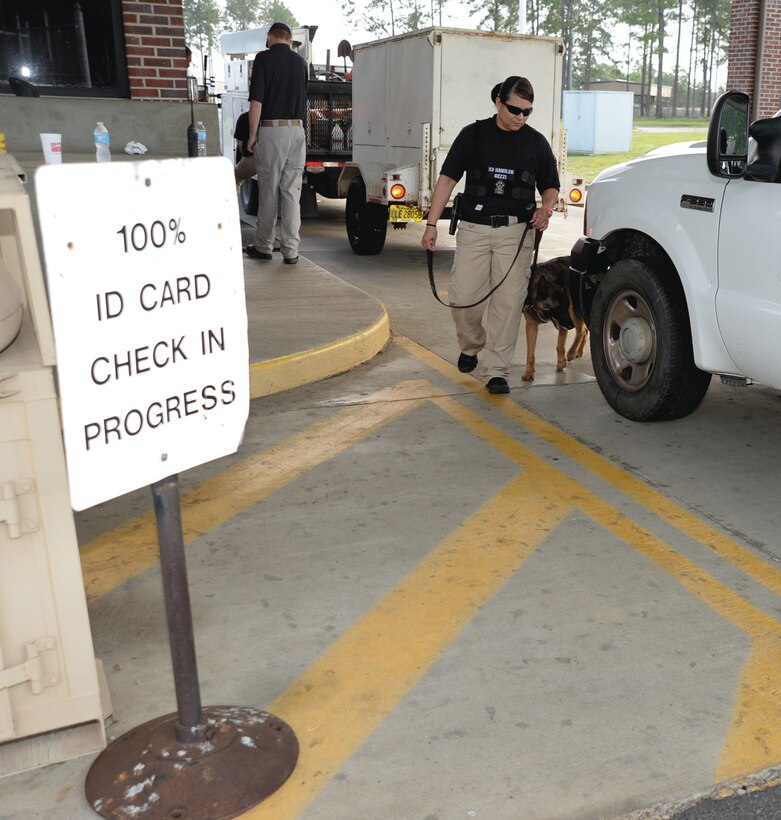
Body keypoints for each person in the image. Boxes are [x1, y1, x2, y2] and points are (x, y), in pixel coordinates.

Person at [420, 75, 560, 394]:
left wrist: (546, 209)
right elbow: (446, 180)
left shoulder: (536, 142)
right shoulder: (473, 135)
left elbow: (551, 184)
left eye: (527, 112)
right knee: (463, 299)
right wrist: (430, 224)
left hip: (516, 232)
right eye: (514, 110)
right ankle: (472, 345)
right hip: (473, 229)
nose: (520, 118)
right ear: (499, 102)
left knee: (508, 304)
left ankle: (497, 370)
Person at [245, 21, 308, 265]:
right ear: (290, 40)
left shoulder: (263, 59)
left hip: (272, 131)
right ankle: (291, 250)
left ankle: (263, 246)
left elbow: (257, 102)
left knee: (269, 190)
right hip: (297, 130)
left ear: (270, 37)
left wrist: (252, 135)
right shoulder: (301, 63)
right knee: (292, 192)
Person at [233, 111, 256, 183]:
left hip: (251, 159)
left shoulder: (244, 117)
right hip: (273, 159)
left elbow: (240, 144)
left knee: (234, 179)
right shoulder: (271, 117)